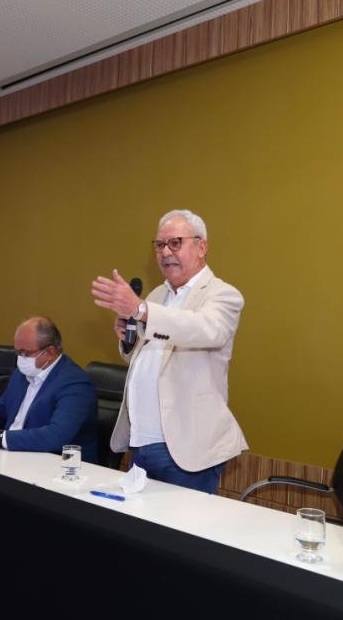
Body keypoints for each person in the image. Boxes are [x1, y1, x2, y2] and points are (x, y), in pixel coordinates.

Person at [90, 209, 247, 494]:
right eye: (160, 245)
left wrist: (141, 309)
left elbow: (203, 329)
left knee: (182, 524)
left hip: (186, 449)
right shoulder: (157, 295)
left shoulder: (223, 294)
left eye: (175, 243)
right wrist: (129, 341)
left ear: (202, 247)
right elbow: (151, 357)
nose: (165, 252)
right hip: (141, 442)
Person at [0, 316, 97, 461]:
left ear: (50, 353)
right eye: (18, 353)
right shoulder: (22, 373)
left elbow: (56, 435)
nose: (20, 359)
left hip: (56, 464)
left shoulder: (75, 383)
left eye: (25, 353)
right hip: (12, 456)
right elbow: (1, 408)